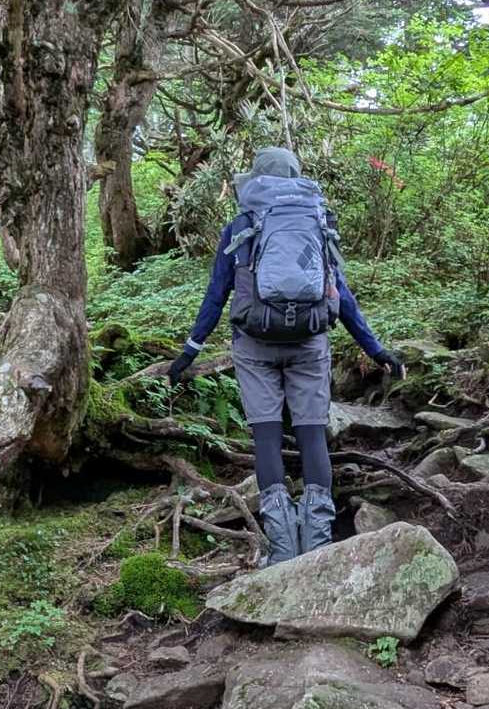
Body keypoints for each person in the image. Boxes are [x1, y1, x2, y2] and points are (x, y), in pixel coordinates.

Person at [167, 147, 405, 563]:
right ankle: (318, 545)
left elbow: (216, 294)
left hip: (254, 346)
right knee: (312, 435)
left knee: (267, 439)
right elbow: (341, 295)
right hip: (310, 344)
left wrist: (190, 350)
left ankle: (281, 549)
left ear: (256, 179)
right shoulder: (318, 221)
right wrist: (375, 349)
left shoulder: (242, 225)